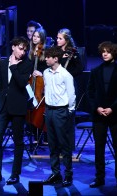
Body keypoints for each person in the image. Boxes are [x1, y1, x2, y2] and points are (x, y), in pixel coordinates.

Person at [0, 36, 33, 185]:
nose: (23, 52)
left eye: (25, 49)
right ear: (13, 47)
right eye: (20, 48)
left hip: (18, 107)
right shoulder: (3, 63)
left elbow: (21, 83)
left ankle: (15, 174)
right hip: (3, 106)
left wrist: (14, 67)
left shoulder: (27, 64)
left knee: (18, 141)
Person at [87, 41, 117, 189]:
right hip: (99, 115)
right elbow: (90, 93)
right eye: (103, 51)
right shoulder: (95, 71)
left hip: (115, 115)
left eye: (108, 51)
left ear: (114, 53)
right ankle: (99, 178)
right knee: (99, 147)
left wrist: (112, 108)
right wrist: (97, 107)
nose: (105, 54)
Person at [42, 46, 76, 187]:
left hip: (61, 111)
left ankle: (68, 174)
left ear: (55, 58)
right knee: (52, 144)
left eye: (48, 57)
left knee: (63, 144)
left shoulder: (66, 75)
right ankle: (55, 173)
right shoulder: (46, 72)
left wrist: (69, 111)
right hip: (49, 110)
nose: (45, 59)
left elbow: (71, 94)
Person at [27, 27, 48, 145]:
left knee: (40, 109)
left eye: (38, 36)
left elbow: (48, 68)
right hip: (31, 82)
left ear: (42, 38)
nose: (35, 38)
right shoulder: (29, 51)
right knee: (31, 108)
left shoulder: (45, 51)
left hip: (41, 82)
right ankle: (33, 133)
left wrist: (41, 73)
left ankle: (43, 134)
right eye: (34, 36)